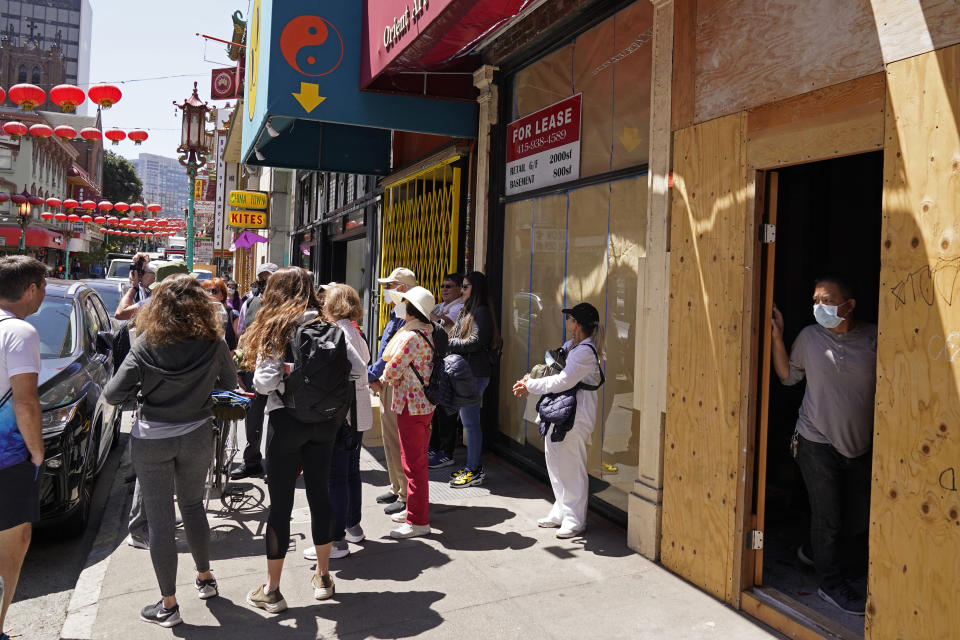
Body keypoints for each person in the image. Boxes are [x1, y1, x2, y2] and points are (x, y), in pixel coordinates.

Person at [103, 274, 237, 628]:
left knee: (160, 520)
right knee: (193, 507)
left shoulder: (146, 344)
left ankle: (169, 605)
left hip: (152, 438)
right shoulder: (214, 341)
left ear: (159, 306)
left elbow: (113, 394)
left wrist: (143, 397)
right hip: (196, 433)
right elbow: (231, 385)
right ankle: (205, 578)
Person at [771, 276, 876, 616]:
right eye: (815, 300)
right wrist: (776, 338)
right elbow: (788, 376)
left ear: (849, 305)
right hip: (815, 440)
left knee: (858, 517)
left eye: (827, 300)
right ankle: (830, 585)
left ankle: (817, 554)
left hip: (859, 444)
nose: (819, 307)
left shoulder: (874, 338)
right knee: (828, 516)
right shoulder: (809, 337)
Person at [242, 267, 344, 612]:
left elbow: (263, 383)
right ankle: (324, 577)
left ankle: (272, 590)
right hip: (326, 423)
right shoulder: (332, 327)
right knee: (320, 494)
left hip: (286, 422)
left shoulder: (279, 328)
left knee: (281, 506)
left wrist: (288, 374)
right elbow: (359, 368)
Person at [512, 302, 604, 539]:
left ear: (578, 324)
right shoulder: (571, 346)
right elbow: (551, 370)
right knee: (554, 461)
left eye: (571, 319)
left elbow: (563, 381)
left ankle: (575, 519)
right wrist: (529, 378)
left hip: (576, 415)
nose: (567, 323)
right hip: (560, 412)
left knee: (571, 465)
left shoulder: (585, 351)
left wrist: (530, 385)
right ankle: (561, 509)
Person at [304, 284, 371, 561]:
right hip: (358, 412)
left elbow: (355, 369)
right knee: (350, 472)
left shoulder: (339, 331)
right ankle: (352, 526)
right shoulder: (356, 329)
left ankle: (336, 539)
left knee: (336, 477)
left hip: (343, 413)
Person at [0, 257, 46, 640]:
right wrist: (37, 451)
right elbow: (25, 402)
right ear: (30, 289)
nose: (44, 295)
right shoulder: (21, 332)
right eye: (43, 287)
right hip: (6, 457)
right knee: (12, 546)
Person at [379, 286, 437, 538]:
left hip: (410, 405)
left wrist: (383, 377)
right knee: (414, 461)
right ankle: (414, 509)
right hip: (420, 404)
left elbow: (391, 371)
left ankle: (417, 520)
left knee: (413, 464)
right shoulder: (425, 332)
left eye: (404, 303)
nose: (399, 306)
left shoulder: (411, 337)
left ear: (411, 310)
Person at [368, 267, 418, 515]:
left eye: (391, 286)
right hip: (389, 380)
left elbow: (392, 351)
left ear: (403, 288)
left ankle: (404, 492)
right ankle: (396, 485)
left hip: (397, 382)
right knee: (389, 437)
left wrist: (373, 374)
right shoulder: (397, 312)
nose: (386, 291)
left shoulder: (410, 314)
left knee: (397, 438)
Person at [447, 271, 499, 488]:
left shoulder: (482, 311)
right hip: (467, 373)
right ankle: (472, 466)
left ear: (475, 289)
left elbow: (476, 342)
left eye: (466, 286)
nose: (462, 290)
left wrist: (448, 343)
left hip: (475, 374)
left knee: (471, 424)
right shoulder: (469, 310)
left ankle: (474, 470)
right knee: (469, 422)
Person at [232, 262, 278, 479]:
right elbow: (243, 336)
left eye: (269, 279)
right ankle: (251, 461)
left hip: (278, 367)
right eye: (262, 279)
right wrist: (240, 370)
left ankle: (276, 465)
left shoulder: (288, 306)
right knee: (254, 417)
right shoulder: (249, 302)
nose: (265, 283)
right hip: (253, 366)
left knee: (279, 418)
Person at [427, 273, 464, 469]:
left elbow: (444, 323)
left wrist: (427, 312)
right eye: (442, 286)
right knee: (437, 408)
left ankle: (446, 452)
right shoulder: (441, 306)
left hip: (449, 361)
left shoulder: (458, 307)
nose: (444, 289)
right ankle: (435, 446)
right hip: (438, 361)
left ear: (459, 289)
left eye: (449, 286)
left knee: (447, 409)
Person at [115, 254, 155, 321]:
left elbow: (120, 314)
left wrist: (133, 287)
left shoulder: (155, 299)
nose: (140, 276)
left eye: (143, 272)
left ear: (155, 277)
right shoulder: (152, 294)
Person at [202, 278, 240, 350]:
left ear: (222, 296)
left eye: (214, 291)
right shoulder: (200, 315)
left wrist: (234, 353)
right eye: (207, 291)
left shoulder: (232, 314)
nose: (210, 294)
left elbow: (242, 338)